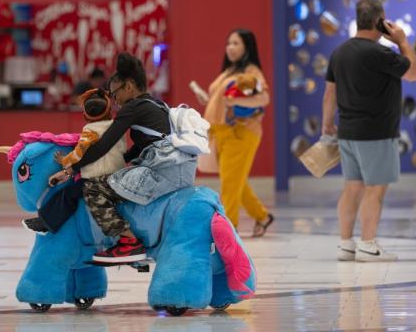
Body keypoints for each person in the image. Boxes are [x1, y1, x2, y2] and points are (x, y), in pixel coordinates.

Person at [50, 52, 197, 263]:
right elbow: (143, 144)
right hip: (181, 170)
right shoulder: (156, 104)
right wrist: (125, 159)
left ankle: (128, 243)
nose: (114, 100)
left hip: (163, 174)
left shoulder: (132, 108)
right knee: (117, 178)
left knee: (93, 187)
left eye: (114, 93)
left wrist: (70, 168)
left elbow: (103, 145)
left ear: (128, 86)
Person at [322, 0, 416, 262]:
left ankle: (345, 244)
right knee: (375, 189)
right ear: (380, 21)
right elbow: (413, 73)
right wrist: (402, 41)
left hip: (348, 132)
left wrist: (326, 123)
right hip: (377, 132)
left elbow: (329, 91)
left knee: (352, 187)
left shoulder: (339, 53)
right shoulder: (381, 53)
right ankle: (368, 244)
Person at [198, 28, 274, 236]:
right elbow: (222, 98)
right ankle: (262, 216)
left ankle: (228, 232)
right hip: (221, 132)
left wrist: (236, 101)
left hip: (239, 133)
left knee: (230, 186)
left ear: (247, 47)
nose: (230, 48)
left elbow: (263, 99)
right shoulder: (230, 71)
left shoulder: (251, 72)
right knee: (235, 182)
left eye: (236, 43)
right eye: (228, 43)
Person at [22, 88, 126, 234]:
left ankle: (46, 222)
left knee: (67, 194)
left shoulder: (90, 130)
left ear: (85, 115)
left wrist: (64, 160)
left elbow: (78, 154)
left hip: (97, 178)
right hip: (119, 176)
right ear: (110, 111)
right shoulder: (116, 127)